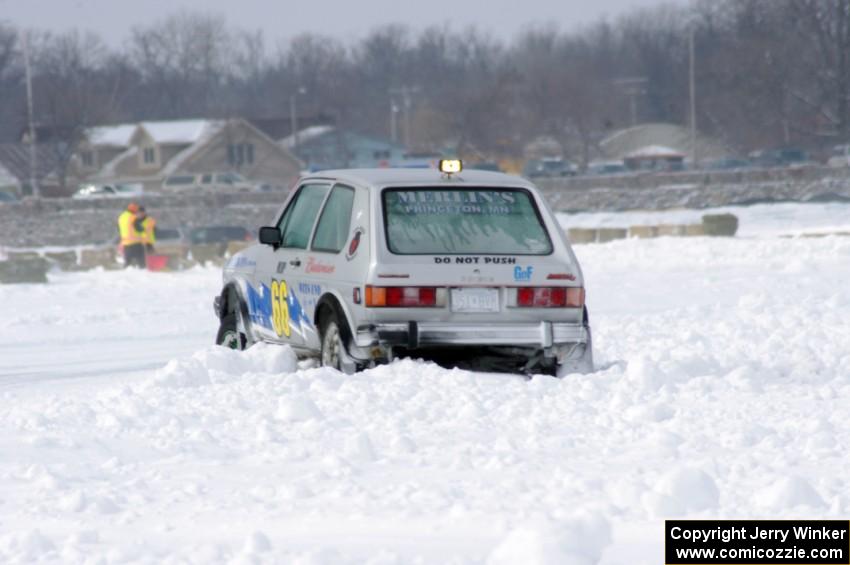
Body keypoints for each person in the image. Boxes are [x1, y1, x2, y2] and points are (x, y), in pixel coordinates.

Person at [117, 202, 146, 268]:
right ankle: (143, 272)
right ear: (134, 209)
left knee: (128, 262)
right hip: (135, 242)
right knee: (141, 261)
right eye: (136, 210)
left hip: (126, 243)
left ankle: (126, 275)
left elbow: (119, 229)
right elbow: (139, 229)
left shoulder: (121, 217)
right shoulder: (133, 217)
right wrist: (143, 230)